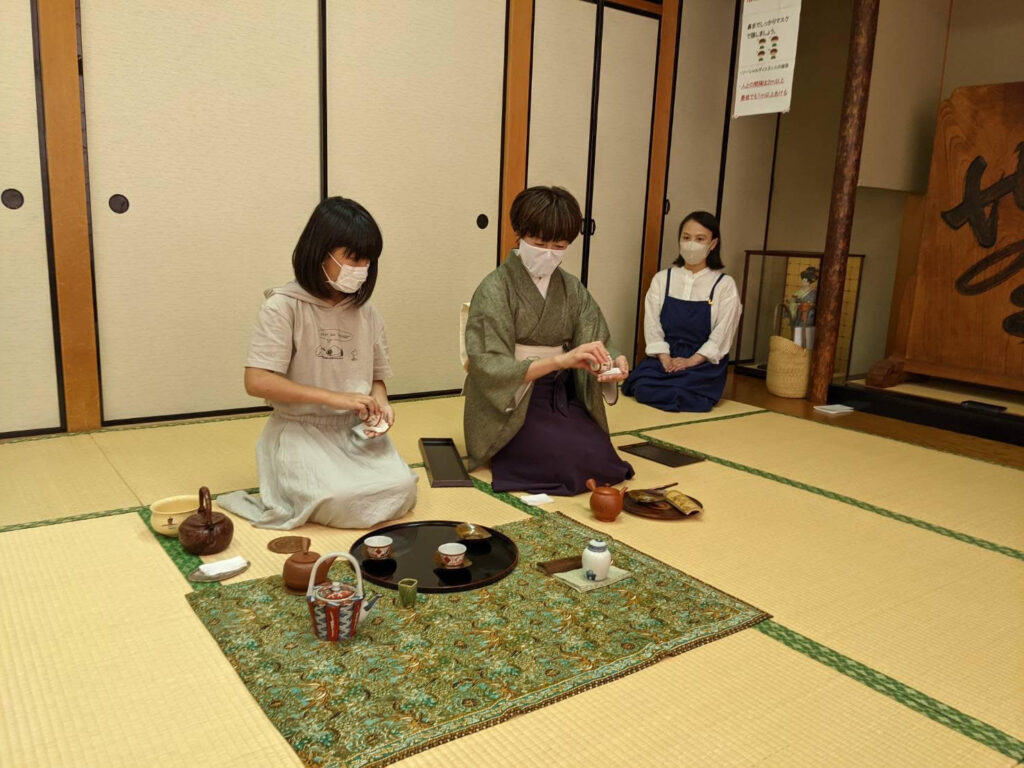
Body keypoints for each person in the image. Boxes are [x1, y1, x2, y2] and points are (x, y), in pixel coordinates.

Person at [217, 197, 416, 529]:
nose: (362, 268)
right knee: (341, 499)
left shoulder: (367, 313)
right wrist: (335, 398)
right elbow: (257, 381)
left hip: (353, 431)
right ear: (320, 251)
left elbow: (377, 378)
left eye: (367, 260)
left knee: (403, 488)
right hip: (301, 429)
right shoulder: (283, 307)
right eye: (353, 258)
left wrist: (381, 404)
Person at [462, 185, 634, 495]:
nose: (548, 252)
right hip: (514, 399)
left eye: (559, 245)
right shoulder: (495, 288)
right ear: (519, 234)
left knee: (600, 458)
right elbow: (489, 364)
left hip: (560, 391)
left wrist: (611, 361)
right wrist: (560, 360)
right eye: (539, 243)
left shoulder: (571, 288)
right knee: (563, 460)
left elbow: (595, 337)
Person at [623, 210, 741, 412]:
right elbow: (652, 324)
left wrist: (691, 361)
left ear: (713, 243)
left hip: (702, 362)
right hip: (666, 356)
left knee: (681, 393)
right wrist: (664, 357)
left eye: (700, 239)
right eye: (686, 238)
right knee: (642, 388)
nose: (691, 244)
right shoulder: (663, 279)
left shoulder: (724, 284)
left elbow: (722, 333)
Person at [788, 266, 818, 349]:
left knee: (806, 339)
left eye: (806, 280)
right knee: (797, 337)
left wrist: (806, 304)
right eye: (803, 280)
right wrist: (794, 302)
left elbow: (813, 304)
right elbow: (793, 301)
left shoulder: (813, 293)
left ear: (809, 282)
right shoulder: (799, 291)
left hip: (808, 316)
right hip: (799, 315)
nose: (803, 282)